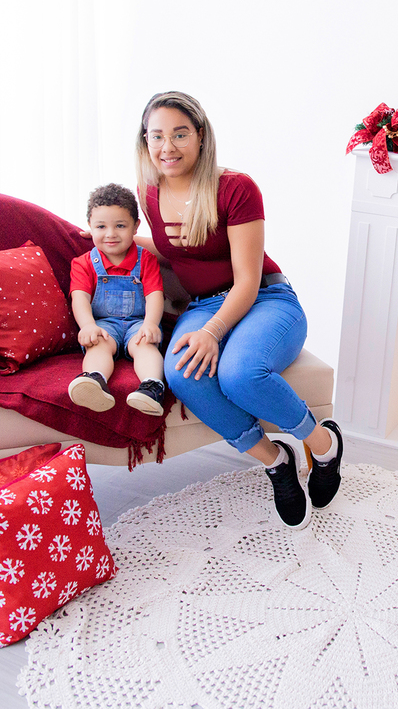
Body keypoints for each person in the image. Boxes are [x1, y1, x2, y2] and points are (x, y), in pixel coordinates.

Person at [134, 90, 343, 529]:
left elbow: (246, 279)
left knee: (239, 374)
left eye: (179, 134)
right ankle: (275, 460)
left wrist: (211, 332)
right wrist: (115, 241)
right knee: (182, 372)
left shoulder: (236, 187)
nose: (166, 147)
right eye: (156, 136)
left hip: (264, 298)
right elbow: (181, 251)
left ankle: (323, 446)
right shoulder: (148, 190)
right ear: (145, 141)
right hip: (204, 304)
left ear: (201, 135)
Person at [67, 184, 166, 416]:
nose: (110, 234)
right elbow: (79, 298)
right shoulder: (83, 263)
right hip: (104, 324)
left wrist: (150, 324)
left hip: (138, 322)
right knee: (98, 345)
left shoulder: (147, 260)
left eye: (120, 226)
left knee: (145, 345)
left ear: (135, 227)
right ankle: (94, 381)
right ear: (90, 227)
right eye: (101, 226)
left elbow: (154, 295)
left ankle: (152, 387)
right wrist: (88, 326)